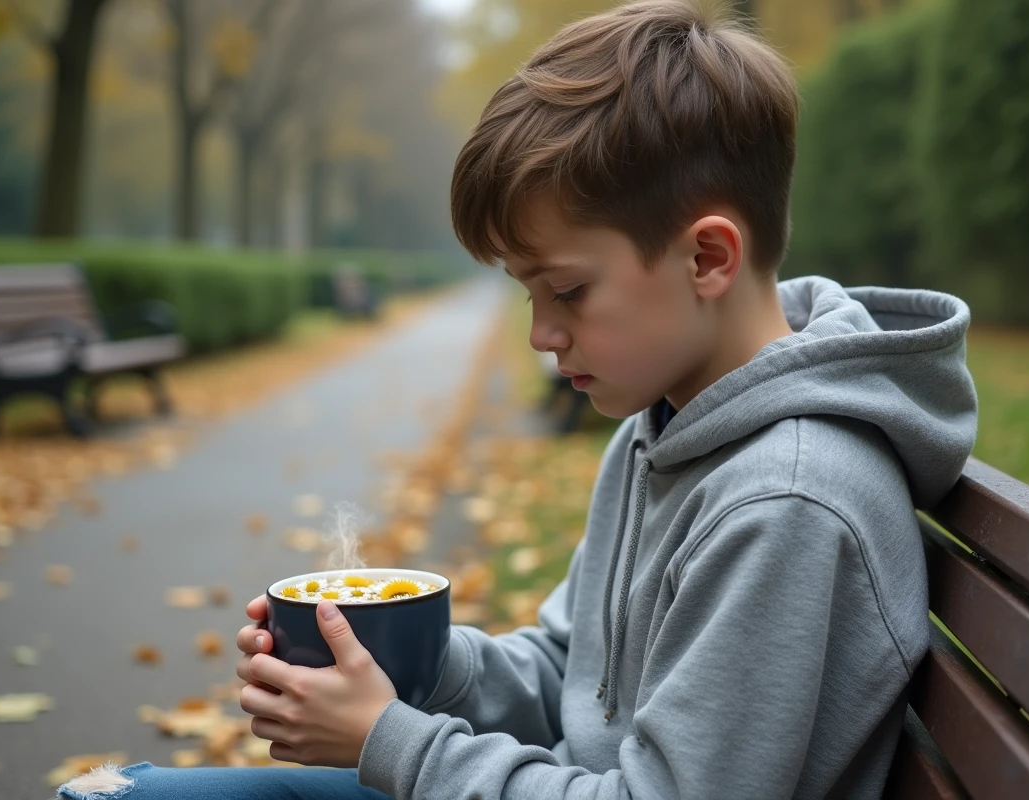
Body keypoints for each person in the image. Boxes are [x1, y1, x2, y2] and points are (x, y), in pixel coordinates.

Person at [56, 1, 977, 798]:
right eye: (526, 294)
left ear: (707, 258)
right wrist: (404, 668)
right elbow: (565, 677)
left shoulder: (789, 504)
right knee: (110, 792)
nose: (541, 334)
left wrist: (391, 742)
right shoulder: (662, 428)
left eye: (566, 291)